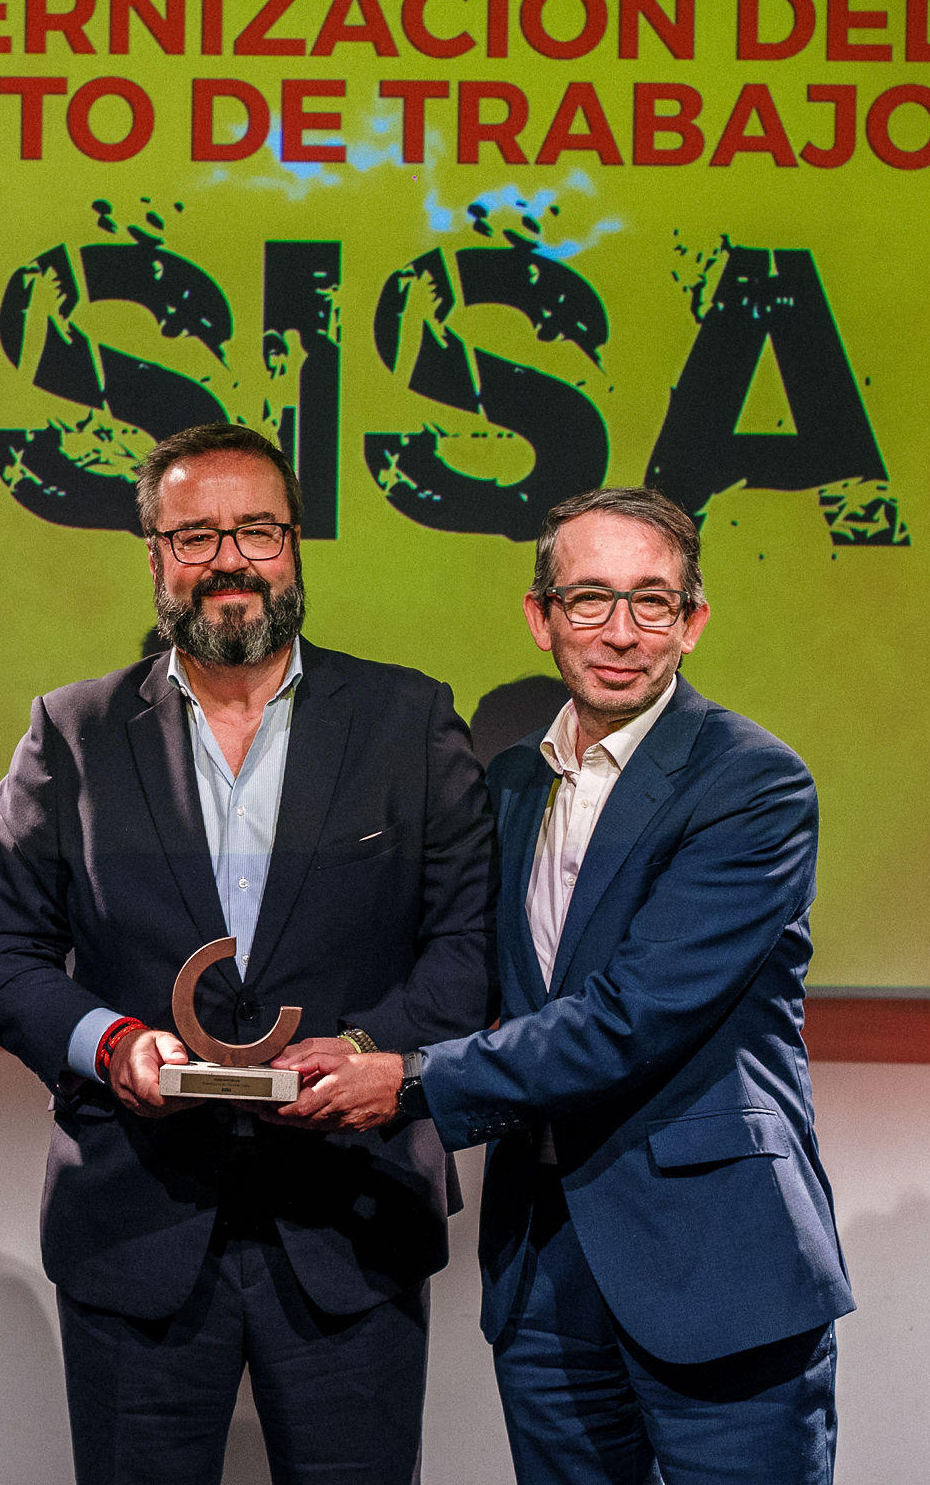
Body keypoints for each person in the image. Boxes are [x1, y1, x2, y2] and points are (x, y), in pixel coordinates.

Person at [277, 485, 853, 1484]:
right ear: (540, 616)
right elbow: (466, 972)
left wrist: (409, 1080)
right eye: (590, 598)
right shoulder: (507, 784)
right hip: (543, 1266)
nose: (621, 632)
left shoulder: (753, 784)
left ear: (692, 621)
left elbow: (633, 1016)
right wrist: (363, 1044)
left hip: (715, 1262)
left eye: (652, 601)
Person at [0, 422, 495, 1485]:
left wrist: (370, 1053)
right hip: (135, 1220)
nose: (229, 561)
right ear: (154, 556)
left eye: (257, 531)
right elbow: (4, 955)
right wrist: (109, 1042)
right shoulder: (71, 732)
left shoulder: (410, 719)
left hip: (353, 1218)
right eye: (195, 536)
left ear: (295, 545)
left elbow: (468, 948)